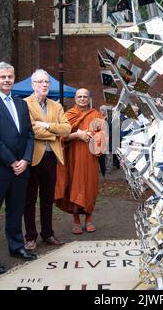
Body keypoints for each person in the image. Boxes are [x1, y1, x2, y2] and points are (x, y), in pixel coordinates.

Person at [0, 62, 36, 274]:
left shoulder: (21, 104)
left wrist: (26, 160)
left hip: (21, 169)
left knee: (16, 211)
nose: (7, 80)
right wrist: (12, 161)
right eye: (3, 76)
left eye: (10, 76)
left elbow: (30, 134)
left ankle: (17, 246)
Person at [23, 69, 72, 251]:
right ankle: (30, 236)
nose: (44, 85)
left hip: (52, 157)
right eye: (40, 82)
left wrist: (45, 125)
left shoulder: (56, 106)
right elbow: (31, 130)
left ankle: (48, 233)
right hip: (33, 157)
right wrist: (53, 133)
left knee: (47, 198)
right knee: (29, 199)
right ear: (33, 84)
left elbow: (66, 129)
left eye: (46, 82)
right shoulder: (24, 104)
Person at [55, 88, 107, 234]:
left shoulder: (96, 115)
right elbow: (61, 136)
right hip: (72, 157)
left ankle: (89, 219)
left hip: (90, 158)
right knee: (74, 186)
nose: (82, 99)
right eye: (80, 96)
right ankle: (76, 221)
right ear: (75, 98)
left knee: (89, 187)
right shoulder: (67, 115)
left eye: (85, 96)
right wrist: (77, 135)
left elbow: (104, 136)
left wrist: (91, 135)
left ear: (89, 98)